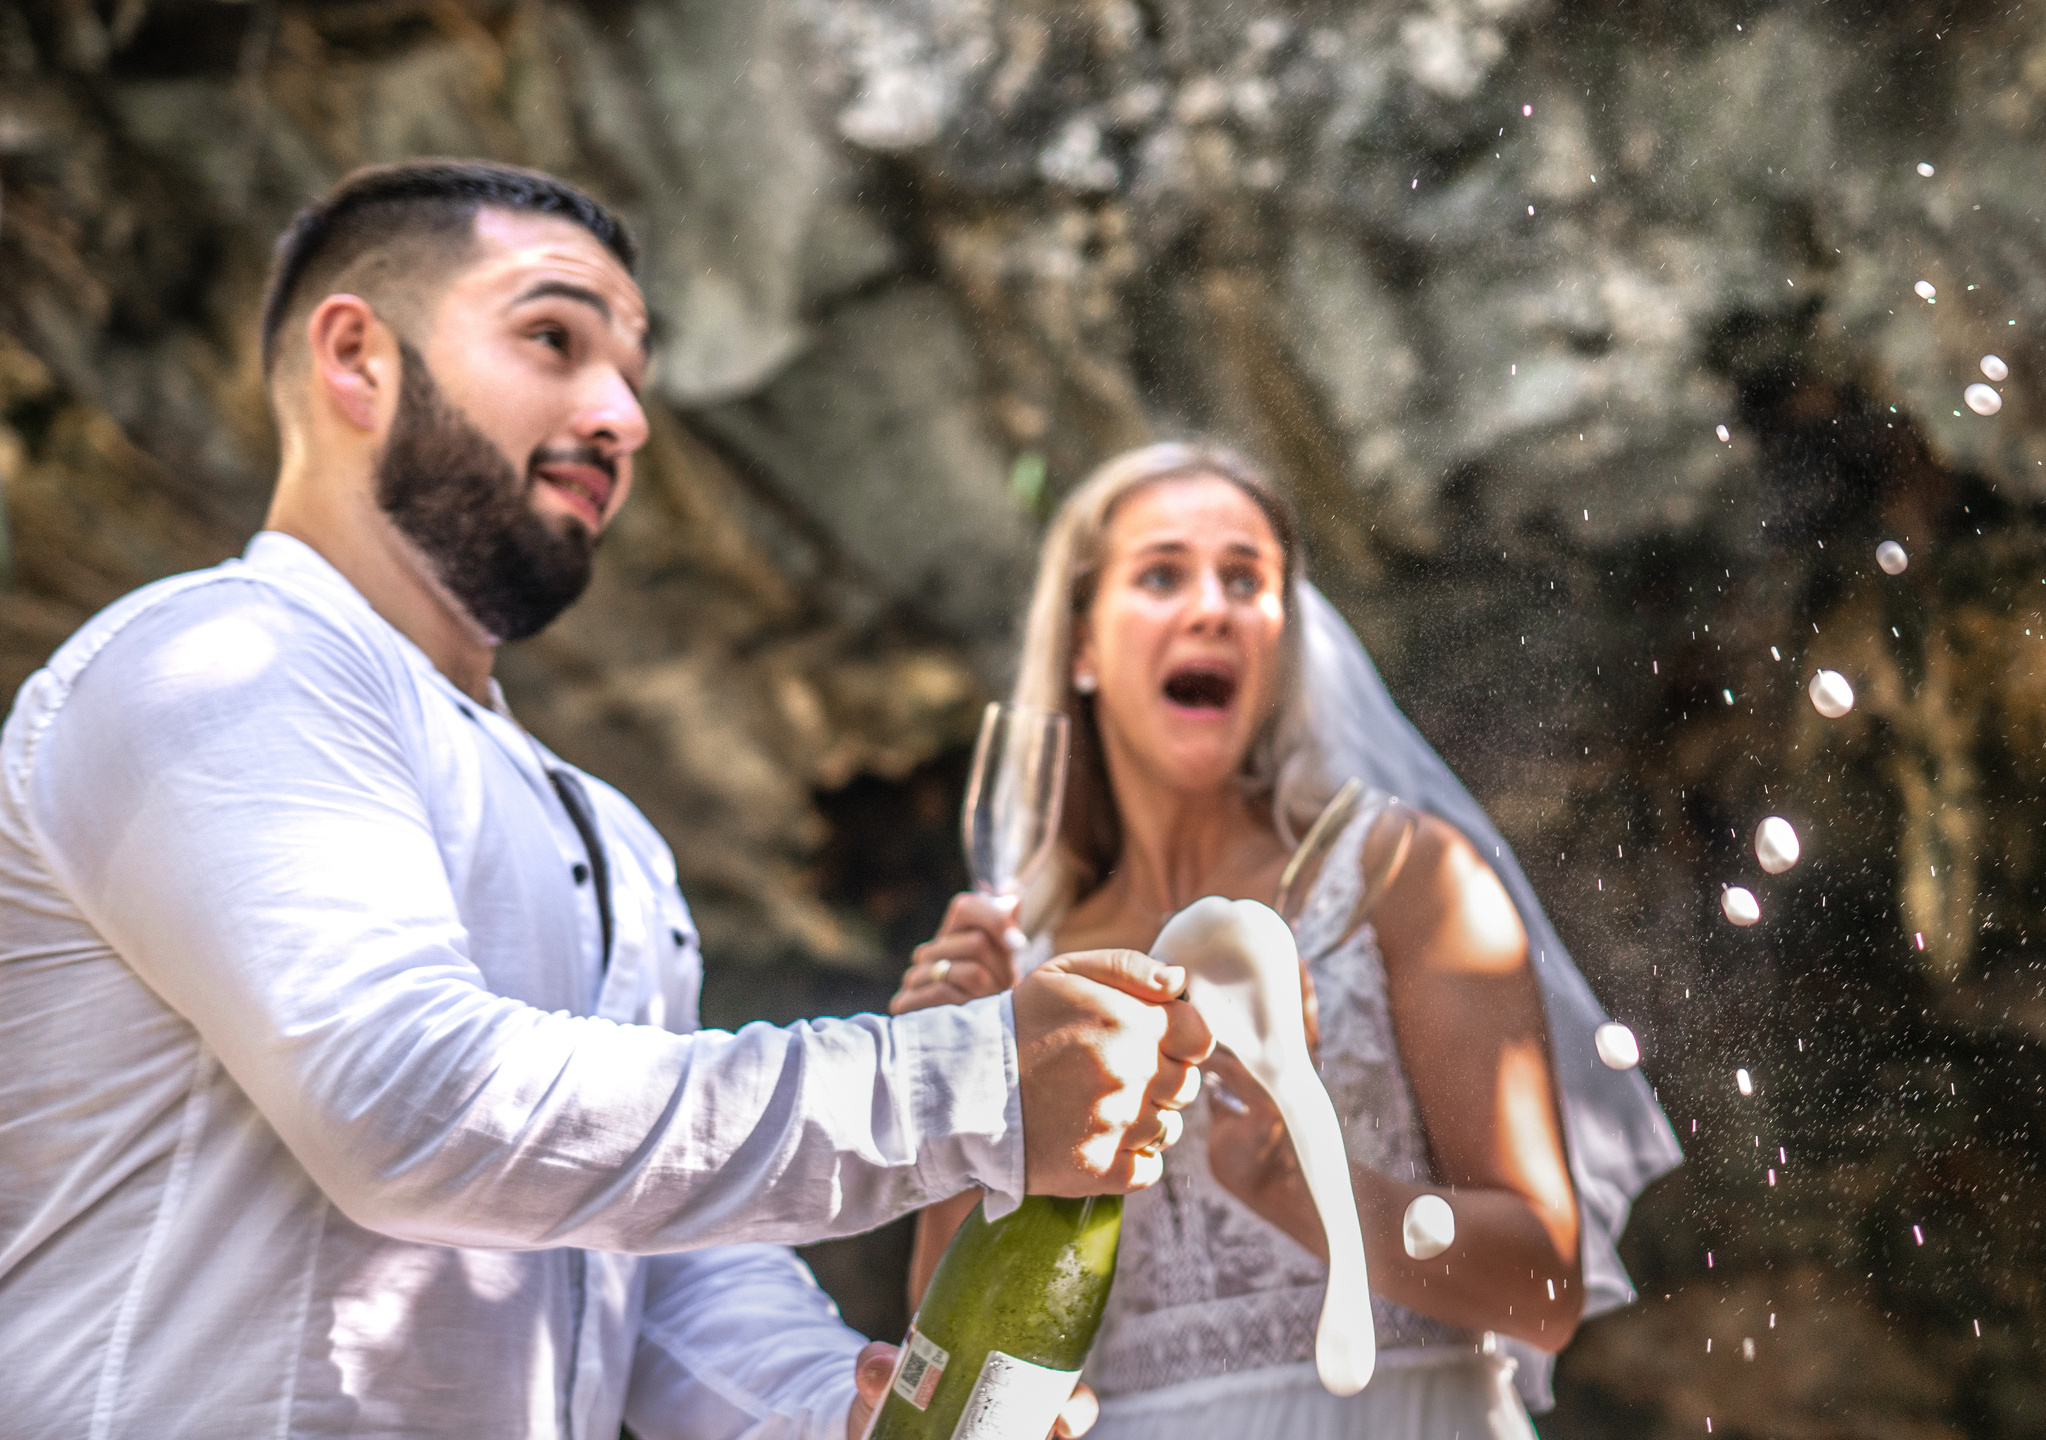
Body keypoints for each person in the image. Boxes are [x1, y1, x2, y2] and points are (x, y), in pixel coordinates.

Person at [0, 161, 1213, 1440]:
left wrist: (831, 1412)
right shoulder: (222, 665)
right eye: (553, 337)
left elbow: (642, 1262)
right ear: (359, 357)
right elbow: (411, 1106)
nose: (624, 416)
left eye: (634, 373)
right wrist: (965, 1086)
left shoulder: (613, 837)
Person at [893, 443, 1681, 1438]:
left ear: (1284, 635)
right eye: (1162, 573)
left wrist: (1293, 1179)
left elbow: (1542, 1288)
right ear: (1083, 647)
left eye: (1246, 578)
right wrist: (951, 1091)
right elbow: (961, 1363)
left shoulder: (1404, 879)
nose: (1212, 606)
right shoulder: (1025, 960)